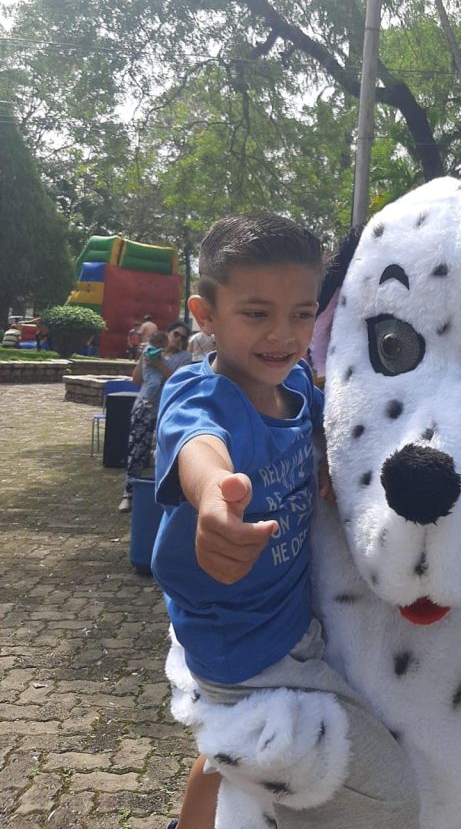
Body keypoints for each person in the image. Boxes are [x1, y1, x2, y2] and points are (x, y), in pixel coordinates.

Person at [151, 213, 418, 829]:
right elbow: (199, 447)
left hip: (285, 627)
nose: (282, 334)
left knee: (228, 753)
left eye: (301, 314)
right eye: (256, 313)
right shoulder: (199, 396)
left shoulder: (295, 384)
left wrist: (329, 456)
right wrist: (214, 497)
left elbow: (333, 426)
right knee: (392, 797)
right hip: (247, 658)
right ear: (205, 315)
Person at [118, 325, 194, 513]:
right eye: (175, 334)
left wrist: (158, 364)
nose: (178, 339)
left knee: (163, 454)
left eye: (183, 337)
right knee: (136, 450)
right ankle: (128, 493)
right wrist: (143, 361)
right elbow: (137, 380)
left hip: (167, 411)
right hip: (143, 407)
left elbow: (178, 381)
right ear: (167, 334)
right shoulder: (151, 350)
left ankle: (162, 498)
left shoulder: (185, 358)